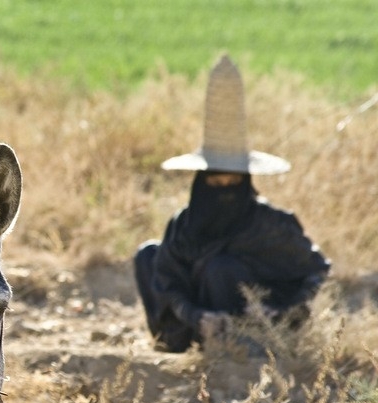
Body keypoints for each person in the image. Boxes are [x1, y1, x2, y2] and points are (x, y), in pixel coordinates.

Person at [134, 55, 330, 353]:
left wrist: (279, 310)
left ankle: (235, 347)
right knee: (149, 255)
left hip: (253, 330)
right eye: (215, 184)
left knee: (219, 267)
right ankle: (172, 344)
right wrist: (196, 316)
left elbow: (315, 272)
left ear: (246, 183)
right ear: (201, 183)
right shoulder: (184, 225)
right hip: (200, 322)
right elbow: (168, 281)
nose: (223, 192)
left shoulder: (272, 225)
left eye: (232, 184)